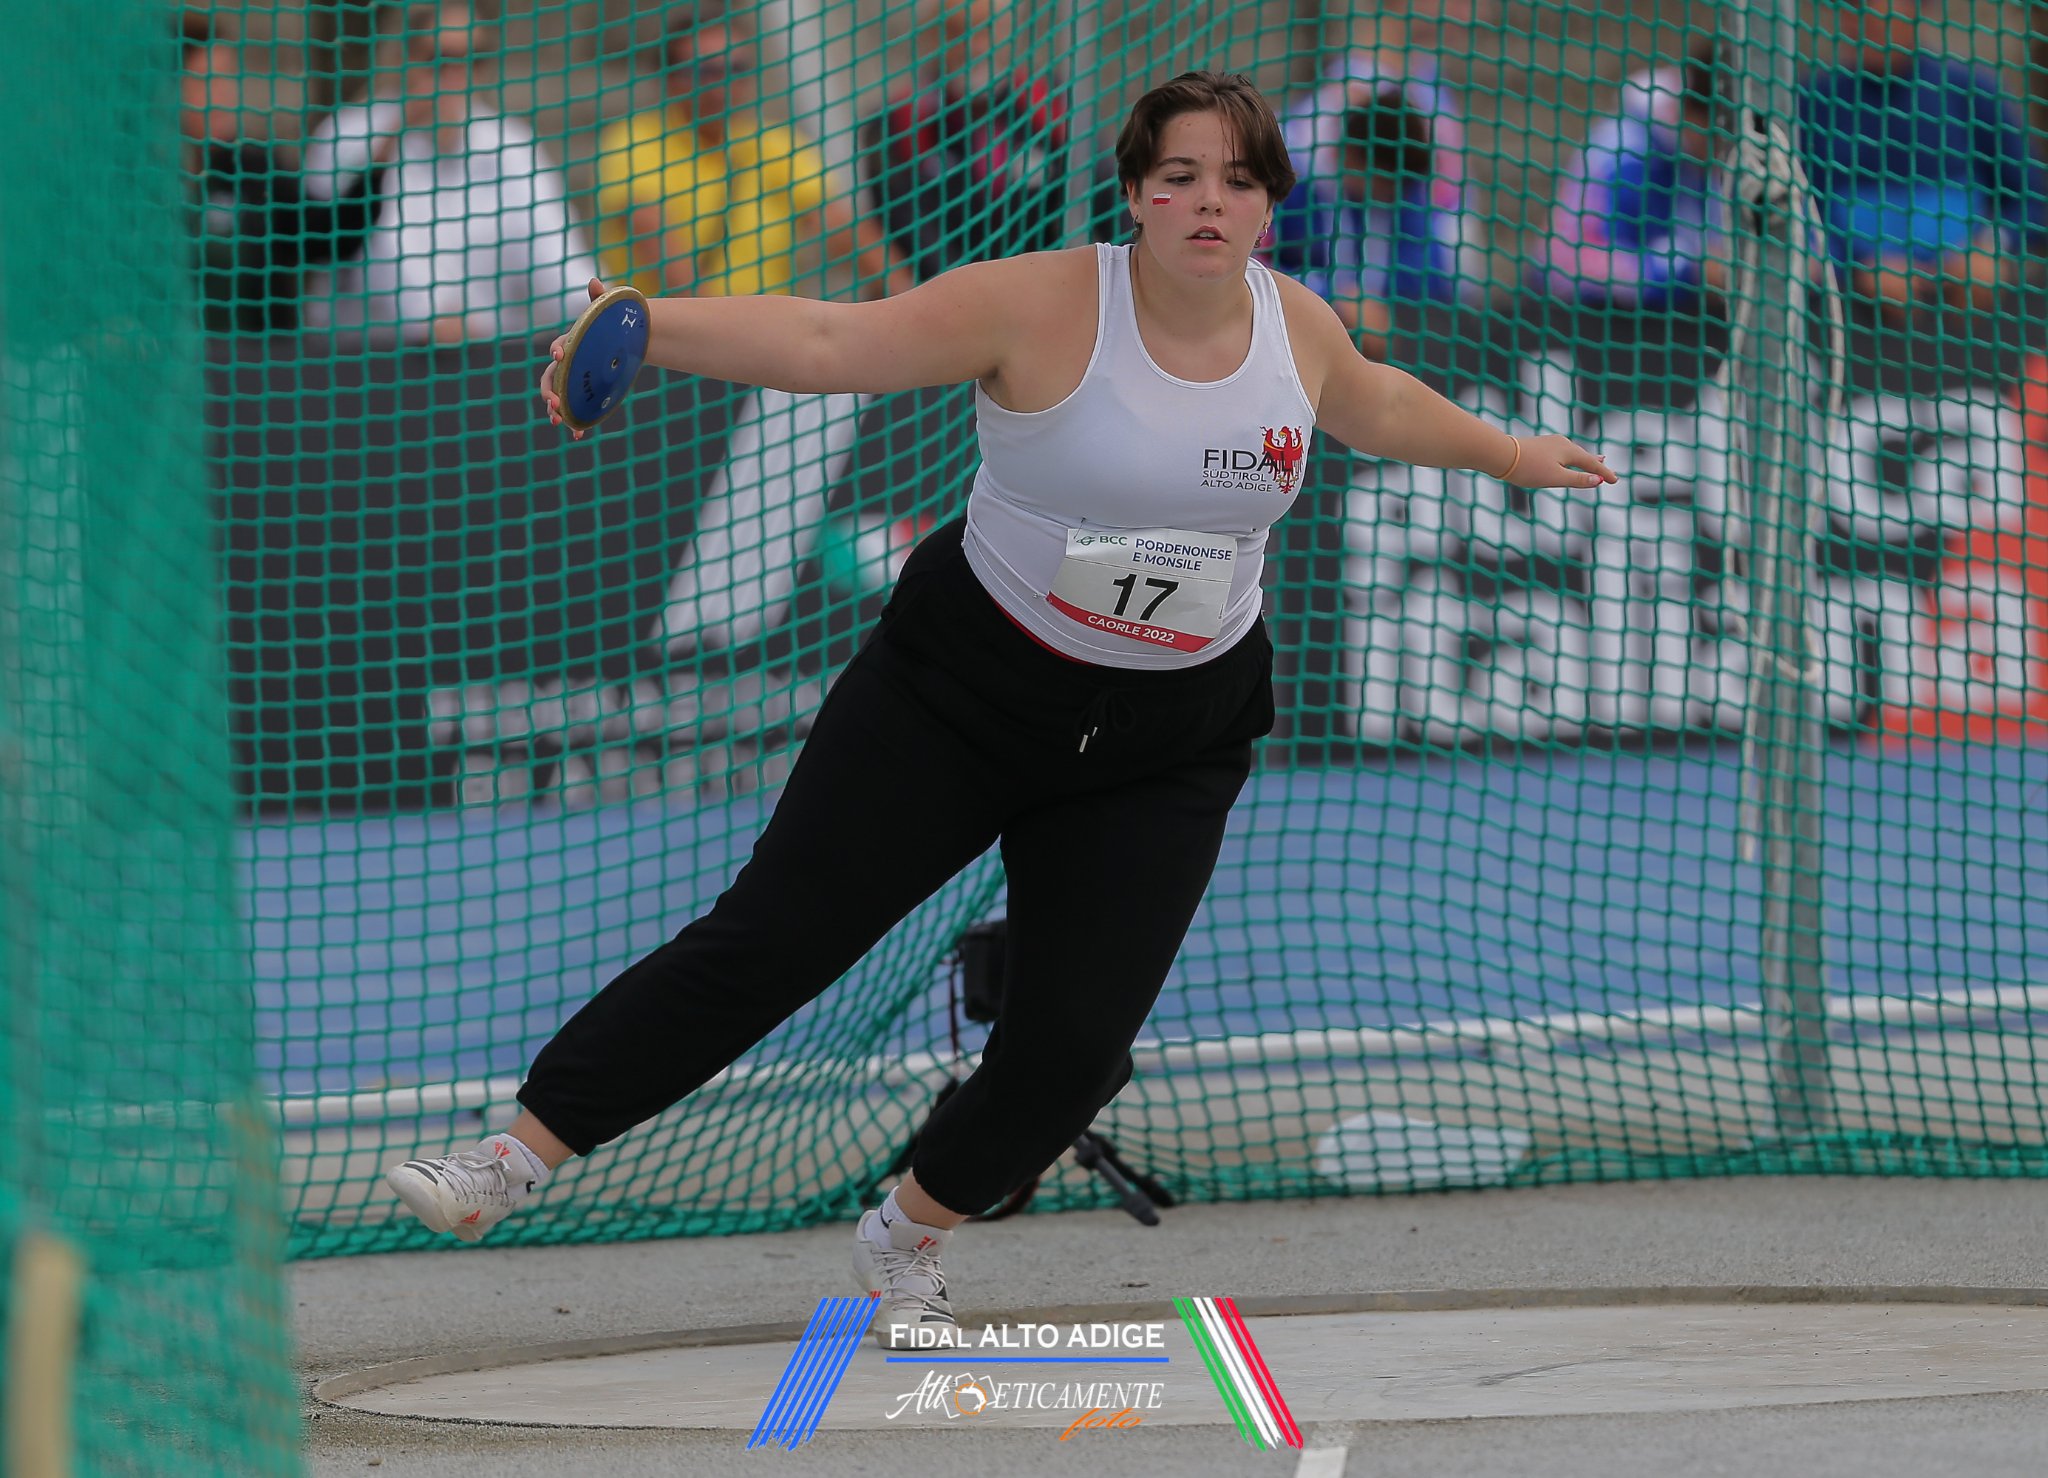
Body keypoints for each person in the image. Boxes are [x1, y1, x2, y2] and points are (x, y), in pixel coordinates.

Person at [386, 69, 1613, 1348]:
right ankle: (511, 1157)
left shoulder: (1294, 324)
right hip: (959, 694)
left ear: (1267, 206)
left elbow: (1373, 399)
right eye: (1179, 176)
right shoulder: (1040, 302)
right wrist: (643, 321)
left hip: (1168, 736)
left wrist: (1509, 452)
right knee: (774, 939)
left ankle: (906, 1236)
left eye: (1238, 181)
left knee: (1072, 1050)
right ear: (1133, 192)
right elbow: (833, 343)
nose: (1208, 201)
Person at [299, 2, 600, 347]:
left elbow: (556, 256)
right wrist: (433, 315)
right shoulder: (349, 137)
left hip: (489, 355)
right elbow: (379, 250)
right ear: (405, 59)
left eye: (472, 60)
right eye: (439, 59)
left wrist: (595, 304)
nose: (455, 75)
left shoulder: (509, 145)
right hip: (367, 356)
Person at [595, 8, 914, 300]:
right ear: (670, 79)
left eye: (735, 69)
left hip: (769, 332)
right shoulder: (637, 142)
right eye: (705, 70)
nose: (722, 84)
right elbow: (665, 257)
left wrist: (903, 301)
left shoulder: (774, 145)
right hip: (675, 332)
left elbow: (846, 231)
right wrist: (724, 335)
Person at [1798, 0, 2047, 317]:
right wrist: (1855, 268)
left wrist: (1994, 247)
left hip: (1966, 312)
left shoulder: (1970, 92)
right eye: (1855, 6)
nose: (1868, 17)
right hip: (1854, 315)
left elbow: (2032, 203)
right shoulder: (1815, 102)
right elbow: (1802, 216)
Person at [179, 9, 391, 333]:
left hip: (261, 355)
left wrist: (378, 165)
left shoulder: (250, 168)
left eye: (228, 77)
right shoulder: (146, 185)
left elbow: (328, 235)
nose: (223, 95)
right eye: (206, 81)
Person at [860, 0, 1071, 283]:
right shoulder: (898, 126)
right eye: (956, 31)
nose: (975, 46)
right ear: (931, 36)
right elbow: (917, 239)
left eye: (987, 29)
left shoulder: (1051, 106)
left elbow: (1108, 195)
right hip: (946, 297)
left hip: (1051, 286)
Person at [1534, 39, 1731, 313]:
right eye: (1718, 138)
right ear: (1693, 117)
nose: (1722, 151)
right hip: (1589, 322)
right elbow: (1564, 264)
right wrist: (1690, 273)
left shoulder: (1714, 161)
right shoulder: (1624, 155)